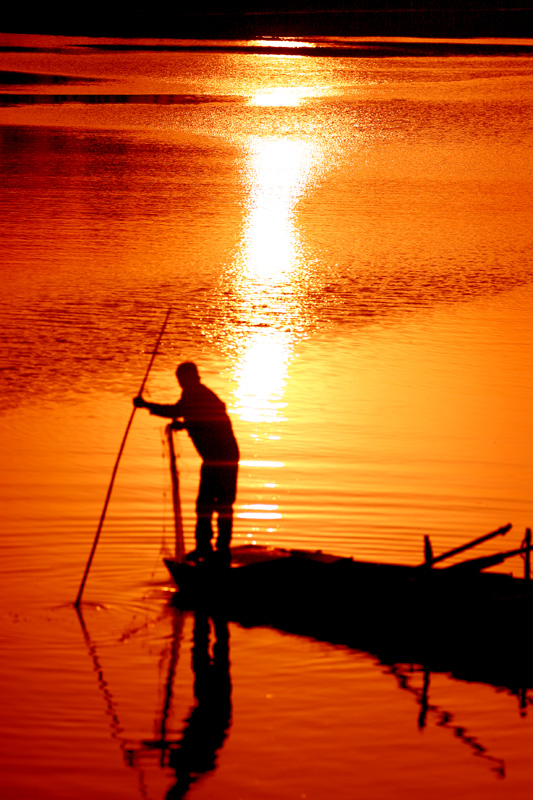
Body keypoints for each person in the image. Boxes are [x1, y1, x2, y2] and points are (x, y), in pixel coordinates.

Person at [134, 362, 239, 565]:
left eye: (182, 379)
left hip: (223, 458)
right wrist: (185, 424)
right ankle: (205, 548)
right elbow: (199, 418)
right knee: (205, 505)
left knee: (221, 505)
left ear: (191, 378)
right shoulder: (194, 394)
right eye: (179, 380)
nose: (180, 383)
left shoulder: (198, 394)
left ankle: (221, 549)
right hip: (213, 459)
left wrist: (146, 405)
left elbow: (177, 411)